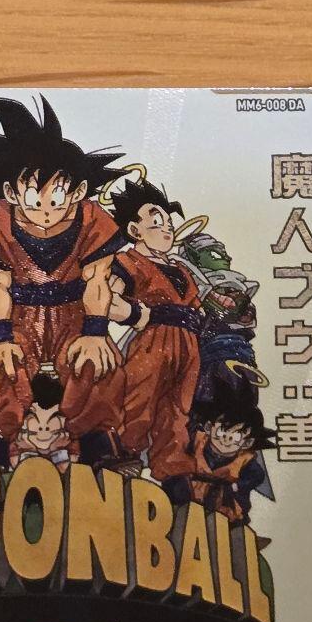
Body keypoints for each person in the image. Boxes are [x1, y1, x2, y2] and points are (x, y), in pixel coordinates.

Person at [0, 96, 130, 469]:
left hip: (74, 314)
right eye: (32, 198)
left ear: (78, 191)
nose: (45, 210)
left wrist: (95, 331)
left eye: (57, 198)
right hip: (19, 316)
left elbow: (98, 281)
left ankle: (98, 444)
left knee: (96, 363)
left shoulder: (94, 221)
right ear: (11, 193)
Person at [108, 178, 203, 501]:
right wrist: (136, 315)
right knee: (139, 401)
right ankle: (123, 457)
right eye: (157, 223)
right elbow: (107, 300)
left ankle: (174, 473)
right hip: (153, 340)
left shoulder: (180, 269)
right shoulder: (128, 262)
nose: (167, 230)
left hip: (188, 344)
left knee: (178, 410)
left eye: (170, 225)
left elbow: (195, 305)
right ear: (135, 230)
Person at [188, 388, 277, 523]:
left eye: (236, 436)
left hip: (226, 505)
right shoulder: (196, 442)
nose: (226, 438)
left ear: (247, 442)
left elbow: (257, 475)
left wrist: (236, 486)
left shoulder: (245, 460)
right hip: (192, 496)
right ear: (208, 427)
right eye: (222, 431)